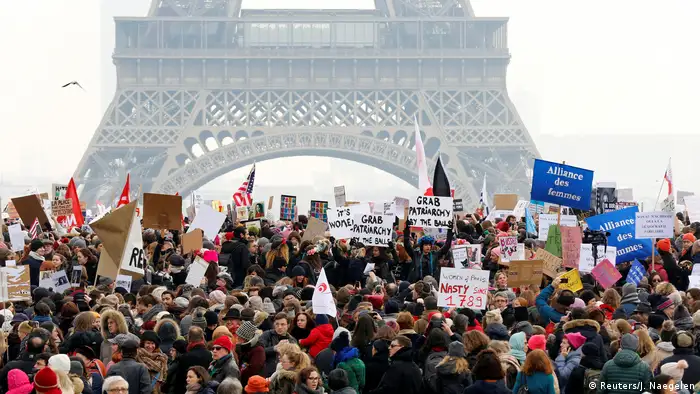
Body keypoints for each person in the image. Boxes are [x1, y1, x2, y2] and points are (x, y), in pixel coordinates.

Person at [173, 327, 213, 394]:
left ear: (189, 339)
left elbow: (179, 381)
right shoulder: (210, 355)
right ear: (202, 338)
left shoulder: (184, 357)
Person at [259, 313, 298, 377]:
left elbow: (296, 358)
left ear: (288, 325)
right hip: (268, 372)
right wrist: (274, 348)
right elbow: (259, 351)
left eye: (282, 324)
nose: (279, 327)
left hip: (286, 373)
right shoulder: (267, 335)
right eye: (277, 324)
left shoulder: (292, 340)